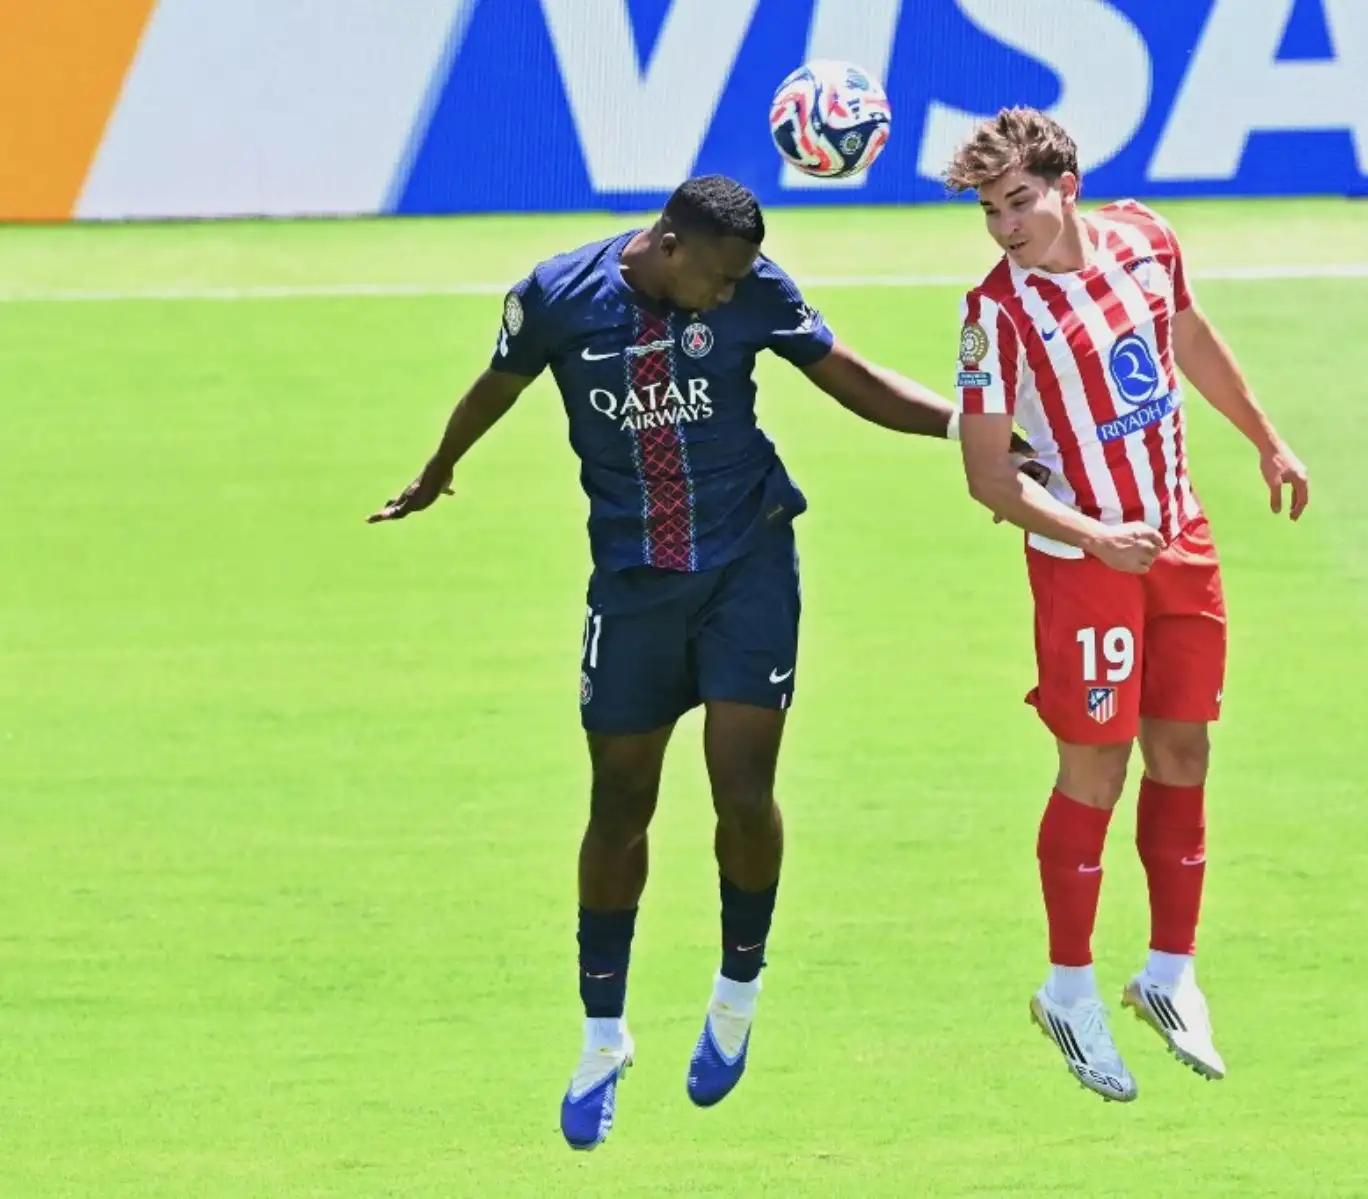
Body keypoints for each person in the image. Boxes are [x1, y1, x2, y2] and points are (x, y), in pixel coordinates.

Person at [369, 175, 1007, 1148]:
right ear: (669, 245)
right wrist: (439, 468)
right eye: (716, 275)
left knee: (742, 787)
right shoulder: (559, 294)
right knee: (619, 805)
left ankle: (736, 993)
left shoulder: (753, 288)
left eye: (739, 276)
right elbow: (496, 383)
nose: (728, 292)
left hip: (748, 560)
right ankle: (601, 1035)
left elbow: (850, 377)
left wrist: (970, 428)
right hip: (632, 584)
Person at [944, 109, 1311, 1102]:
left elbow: (1186, 333)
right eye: (990, 209)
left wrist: (1266, 438)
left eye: (1018, 200)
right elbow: (986, 474)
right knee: (1095, 766)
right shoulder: (996, 316)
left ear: (1067, 183)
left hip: (1179, 534)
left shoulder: (1148, 239)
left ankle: (1169, 973)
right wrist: (1096, 535)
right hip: (1084, 559)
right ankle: (1067, 987)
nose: (1006, 225)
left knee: (1186, 748)